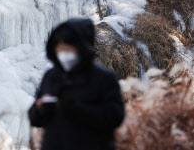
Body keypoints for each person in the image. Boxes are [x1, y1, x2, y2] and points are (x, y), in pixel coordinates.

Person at [28, 18, 125, 150]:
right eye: (59, 48)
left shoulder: (103, 78)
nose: (63, 53)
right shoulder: (51, 76)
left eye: (68, 48)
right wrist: (39, 110)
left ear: (82, 47)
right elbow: (36, 120)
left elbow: (115, 116)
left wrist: (77, 108)